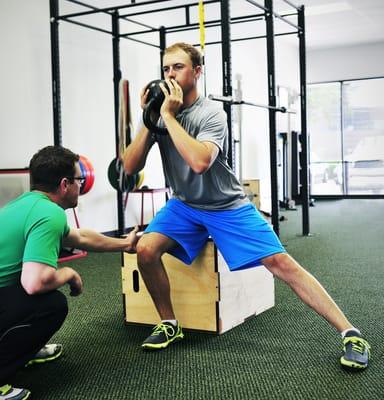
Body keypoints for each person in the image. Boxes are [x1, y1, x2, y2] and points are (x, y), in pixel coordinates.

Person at [122, 42, 370, 370]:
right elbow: (128, 167)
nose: (170, 75)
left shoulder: (210, 113)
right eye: (166, 69)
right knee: (145, 250)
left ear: (197, 72)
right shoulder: (160, 116)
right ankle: (169, 323)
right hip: (183, 205)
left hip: (226, 205)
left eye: (178, 67)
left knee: (281, 262)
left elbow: (199, 162)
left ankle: (350, 332)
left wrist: (167, 116)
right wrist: (148, 118)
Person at [0, 146, 139, 400]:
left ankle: (23, 349)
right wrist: (69, 274)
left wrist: (125, 244)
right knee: (51, 304)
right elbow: (35, 282)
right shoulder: (49, 214)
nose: (81, 185)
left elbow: (79, 237)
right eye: (80, 180)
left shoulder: (30, 205)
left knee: (30, 297)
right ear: (65, 184)